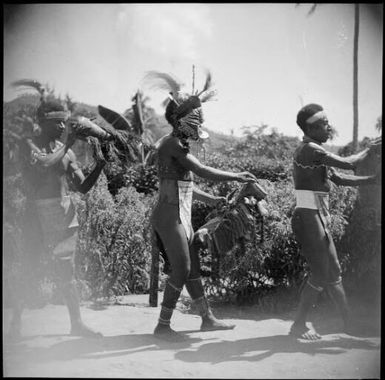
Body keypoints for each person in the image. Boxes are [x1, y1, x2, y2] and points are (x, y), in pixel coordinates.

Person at [145, 71, 257, 341]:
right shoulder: (172, 144)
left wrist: (212, 199)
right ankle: (162, 325)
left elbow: (188, 187)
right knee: (182, 269)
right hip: (169, 217)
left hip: (179, 216)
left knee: (192, 268)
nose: (201, 123)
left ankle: (207, 319)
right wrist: (236, 175)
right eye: (197, 119)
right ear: (183, 121)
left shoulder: (179, 145)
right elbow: (202, 170)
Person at [7, 94, 109, 339]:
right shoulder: (28, 144)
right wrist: (68, 144)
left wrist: (99, 165)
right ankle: (16, 324)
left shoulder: (66, 153)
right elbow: (42, 165)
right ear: (42, 121)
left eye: (65, 123)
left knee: (67, 272)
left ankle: (76, 324)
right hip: (36, 215)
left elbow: (82, 187)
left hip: (64, 213)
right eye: (58, 123)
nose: (63, 127)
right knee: (30, 268)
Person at [290, 103, 379, 340]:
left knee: (334, 271)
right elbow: (349, 163)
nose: (329, 127)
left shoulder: (315, 152)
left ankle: (348, 323)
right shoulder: (309, 150)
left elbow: (339, 178)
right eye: (325, 123)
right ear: (313, 127)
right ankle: (298, 325)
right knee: (320, 273)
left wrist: (373, 180)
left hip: (317, 216)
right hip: (308, 216)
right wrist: (370, 150)